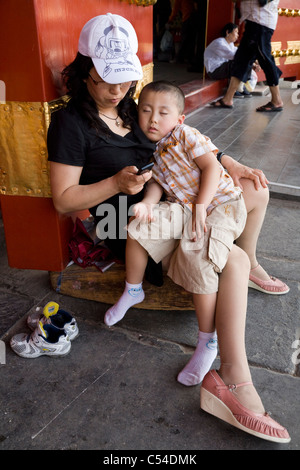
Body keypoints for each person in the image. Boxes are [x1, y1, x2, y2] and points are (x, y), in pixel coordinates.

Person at [47, 14, 290, 442]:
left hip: (170, 204)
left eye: (124, 78)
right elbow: (64, 200)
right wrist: (115, 185)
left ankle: (242, 259)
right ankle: (232, 377)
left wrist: (228, 162)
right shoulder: (70, 123)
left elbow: (180, 143)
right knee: (228, 258)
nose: (119, 89)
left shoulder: (131, 107)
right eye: (107, 79)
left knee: (252, 190)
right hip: (126, 220)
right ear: (84, 70)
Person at [104, 80, 290, 443]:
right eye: (145, 111)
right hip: (184, 208)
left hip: (217, 204)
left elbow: (211, 168)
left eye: (162, 113)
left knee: (203, 248)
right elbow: (158, 183)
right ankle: (135, 290)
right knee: (152, 228)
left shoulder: (187, 135)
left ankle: (209, 343)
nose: (152, 119)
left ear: (180, 116)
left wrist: (201, 208)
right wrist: (147, 202)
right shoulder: (155, 149)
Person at [211, 0, 283, 111]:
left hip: (262, 22)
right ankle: (228, 99)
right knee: (241, 60)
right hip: (252, 20)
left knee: (265, 59)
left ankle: (276, 100)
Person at [204, 22, 259, 97]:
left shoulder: (230, 44)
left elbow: (239, 53)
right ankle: (236, 88)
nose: (238, 35)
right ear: (227, 32)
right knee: (238, 62)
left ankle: (241, 87)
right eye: (236, 32)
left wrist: (254, 61)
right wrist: (251, 62)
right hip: (215, 71)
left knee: (243, 61)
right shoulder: (219, 43)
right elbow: (234, 56)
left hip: (224, 68)